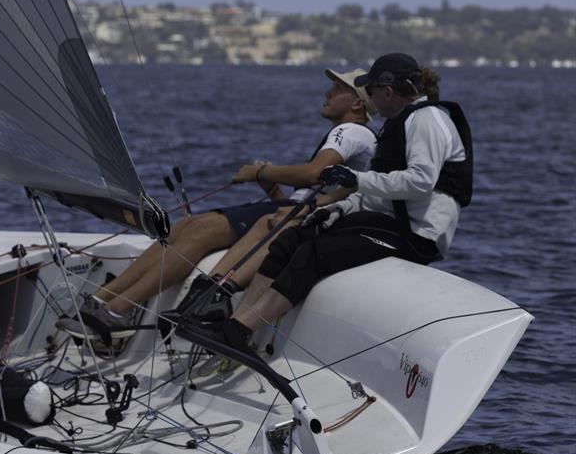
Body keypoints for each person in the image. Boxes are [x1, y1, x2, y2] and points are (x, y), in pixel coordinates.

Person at [57, 68, 378, 349]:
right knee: (186, 226)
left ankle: (116, 309)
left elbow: (313, 174)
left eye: (337, 89)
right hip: (293, 206)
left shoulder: (350, 131)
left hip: (301, 212)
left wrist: (260, 173)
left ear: (356, 103)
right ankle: (102, 301)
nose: (328, 93)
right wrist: (273, 188)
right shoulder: (354, 134)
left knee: (200, 231)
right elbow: (322, 185)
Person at [180, 53, 472, 354]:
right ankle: (235, 324)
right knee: (293, 237)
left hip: (418, 235)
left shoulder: (427, 119)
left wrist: (354, 179)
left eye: (370, 90)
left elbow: (419, 182)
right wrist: (336, 209)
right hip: (389, 221)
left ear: (387, 91)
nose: (369, 98)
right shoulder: (397, 124)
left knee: (316, 253)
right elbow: (376, 189)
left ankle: (237, 331)